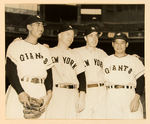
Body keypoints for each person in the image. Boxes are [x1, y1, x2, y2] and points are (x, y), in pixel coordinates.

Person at [5, 15, 54, 119]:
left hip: (40, 90)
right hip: (21, 87)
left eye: (42, 25)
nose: (41, 28)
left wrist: (49, 94)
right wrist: (20, 92)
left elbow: (49, 75)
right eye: (38, 24)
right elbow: (10, 71)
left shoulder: (44, 50)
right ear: (29, 27)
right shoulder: (16, 45)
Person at [45, 24, 86, 119]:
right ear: (60, 35)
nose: (71, 37)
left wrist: (82, 97)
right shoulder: (48, 51)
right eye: (68, 34)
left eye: (72, 35)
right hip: (56, 92)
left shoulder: (76, 54)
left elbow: (82, 77)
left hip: (73, 93)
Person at [103, 32, 145, 119]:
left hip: (129, 94)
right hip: (111, 95)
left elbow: (141, 80)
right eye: (116, 43)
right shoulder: (106, 60)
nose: (119, 46)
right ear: (113, 44)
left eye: (122, 43)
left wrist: (136, 98)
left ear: (127, 44)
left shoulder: (134, 60)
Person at [73, 24, 108, 119]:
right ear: (85, 38)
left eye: (96, 35)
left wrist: (130, 56)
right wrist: (47, 48)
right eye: (91, 35)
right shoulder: (76, 52)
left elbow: (115, 63)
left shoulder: (103, 53)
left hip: (101, 91)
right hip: (85, 92)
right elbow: (61, 53)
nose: (94, 38)